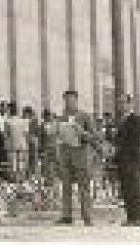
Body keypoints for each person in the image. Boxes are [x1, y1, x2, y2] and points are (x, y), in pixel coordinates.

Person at [56, 90, 94, 226]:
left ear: (76, 100)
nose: (68, 103)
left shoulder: (85, 116)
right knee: (65, 187)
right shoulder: (61, 117)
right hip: (65, 154)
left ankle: (87, 217)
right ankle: (66, 216)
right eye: (66, 100)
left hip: (81, 155)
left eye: (71, 100)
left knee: (83, 187)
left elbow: (93, 136)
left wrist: (81, 132)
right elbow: (57, 136)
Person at [115, 94, 140, 227]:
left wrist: (122, 150)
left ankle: (137, 217)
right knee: (126, 189)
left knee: (134, 188)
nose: (120, 106)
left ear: (129, 104)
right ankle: (130, 217)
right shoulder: (121, 120)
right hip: (122, 159)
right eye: (119, 103)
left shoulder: (136, 119)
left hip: (131, 158)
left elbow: (135, 141)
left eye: (123, 103)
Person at [5, 102, 30, 181]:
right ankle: (21, 177)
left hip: (13, 143)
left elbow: (7, 134)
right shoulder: (23, 121)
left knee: (13, 162)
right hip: (22, 143)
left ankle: (14, 177)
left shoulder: (8, 122)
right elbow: (26, 133)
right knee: (21, 161)